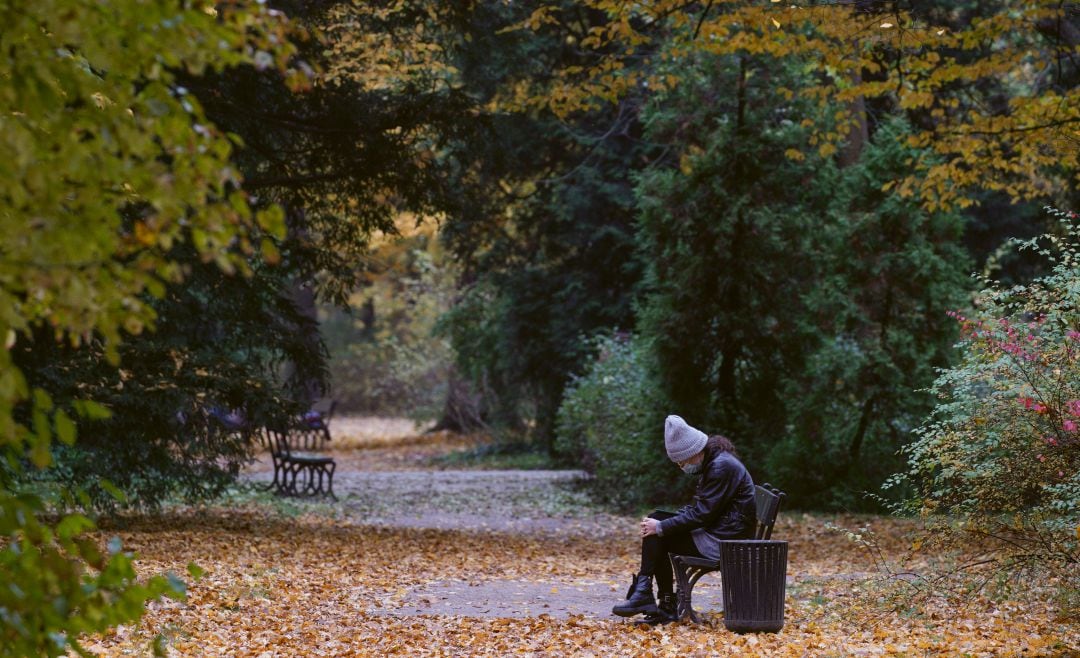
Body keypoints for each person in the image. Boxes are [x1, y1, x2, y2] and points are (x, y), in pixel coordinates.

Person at [611, 415, 756, 624]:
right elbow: (704, 508)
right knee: (656, 521)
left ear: (694, 453)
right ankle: (651, 596)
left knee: (659, 532)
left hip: (726, 542)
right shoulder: (715, 461)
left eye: (682, 462)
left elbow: (703, 514)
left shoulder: (720, 467)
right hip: (723, 532)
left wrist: (661, 526)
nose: (682, 467)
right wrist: (662, 523)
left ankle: (656, 600)